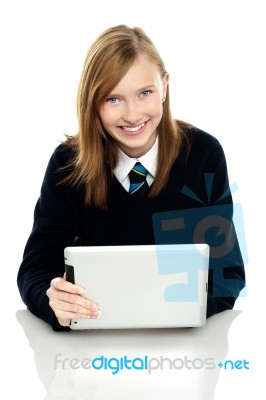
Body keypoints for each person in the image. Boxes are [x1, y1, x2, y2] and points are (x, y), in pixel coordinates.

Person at [17, 25, 245, 331]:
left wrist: (175, 313)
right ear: (92, 103)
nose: (133, 115)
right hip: (89, 346)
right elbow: (36, 268)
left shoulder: (202, 155)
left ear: (164, 87)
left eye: (145, 93)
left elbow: (228, 274)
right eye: (113, 99)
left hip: (180, 346)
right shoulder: (67, 165)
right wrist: (52, 302)